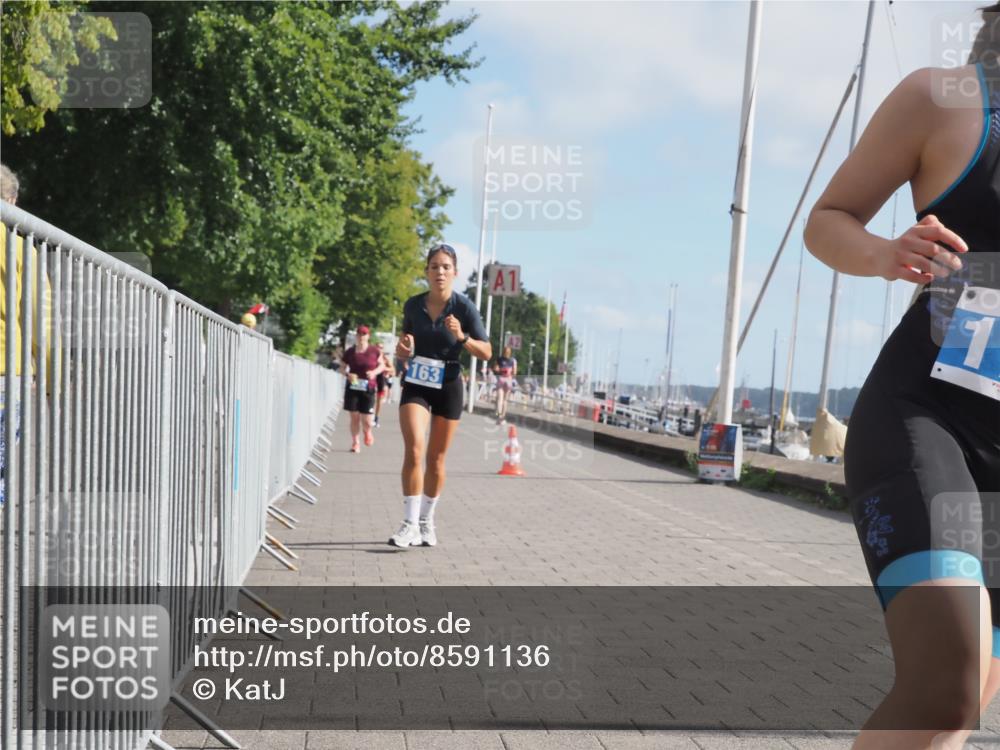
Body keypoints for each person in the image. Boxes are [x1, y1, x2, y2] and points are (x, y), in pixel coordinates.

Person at [805, 9, 999, 747]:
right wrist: (888, 253)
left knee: (969, 693)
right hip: (928, 422)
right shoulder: (944, 99)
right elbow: (829, 217)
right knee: (946, 683)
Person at [389, 243, 491, 548]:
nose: (440, 272)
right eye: (434, 266)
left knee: (435, 459)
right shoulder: (413, 305)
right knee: (415, 449)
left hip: (448, 383)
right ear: (426, 272)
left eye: (446, 267)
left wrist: (462, 336)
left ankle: (426, 521)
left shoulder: (464, 308)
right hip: (418, 382)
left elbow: (487, 352)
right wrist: (403, 349)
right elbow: (404, 346)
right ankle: (409, 524)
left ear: (455, 273)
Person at [340, 325, 384, 453]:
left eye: (364, 334)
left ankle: (367, 431)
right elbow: (342, 367)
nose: (361, 337)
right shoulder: (350, 352)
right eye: (359, 334)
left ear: (368, 336)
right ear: (356, 336)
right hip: (353, 386)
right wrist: (348, 374)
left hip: (368, 388)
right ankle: (355, 442)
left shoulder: (374, 351)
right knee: (354, 416)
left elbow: (382, 366)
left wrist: (374, 372)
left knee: (367, 420)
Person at [492, 345, 518, 424]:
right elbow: (515, 372)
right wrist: (509, 372)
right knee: (505, 400)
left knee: (500, 398)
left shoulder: (499, 359)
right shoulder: (513, 360)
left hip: (501, 379)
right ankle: (502, 416)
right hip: (508, 379)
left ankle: (499, 416)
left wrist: (500, 369)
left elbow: (495, 368)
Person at [373, 350, 395, 427]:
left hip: (382, 381)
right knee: (372, 398)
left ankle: (376, 418)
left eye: (381, 348)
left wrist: (384, 369)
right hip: (372, 380)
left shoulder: (385, 359)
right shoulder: (372, 357)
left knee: (379, 400)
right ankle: (370, 412)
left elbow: (392, 369)